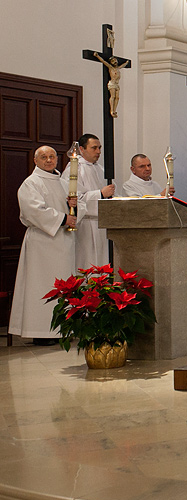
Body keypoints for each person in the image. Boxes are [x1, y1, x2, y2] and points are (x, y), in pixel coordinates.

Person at [10, 146, 81, 345]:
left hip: (63, 242)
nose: (48, 160)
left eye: (51, 157)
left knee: (63, 286)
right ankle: (41, 331)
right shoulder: (31, 183)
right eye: (44, 157)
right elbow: (33, 210)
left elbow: (75, 208)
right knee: (42, 285)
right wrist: (62, 218)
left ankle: (62, 329)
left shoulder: (63, 182)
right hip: (42, 243)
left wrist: (73, 205)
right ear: (35, 160)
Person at [62, 134, 114, 270]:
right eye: (94, 148)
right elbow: (73, 199)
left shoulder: (100, 169)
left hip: (102, 225)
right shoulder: (75, 169)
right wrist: (100, 194)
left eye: (99, 148)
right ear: (81, 149)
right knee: (87, 263)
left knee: (102, 264)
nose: (98, 152)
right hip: (85, 225)